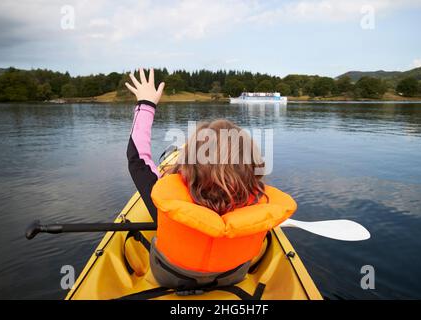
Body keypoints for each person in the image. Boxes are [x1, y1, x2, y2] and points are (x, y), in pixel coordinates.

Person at [126, 68, 297, 290]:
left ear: (189, 163)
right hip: (232, 277)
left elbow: (137, 157)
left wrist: (146, 103)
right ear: (249, 166)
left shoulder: (160, 196)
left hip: (169, 276)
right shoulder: (258, 202)